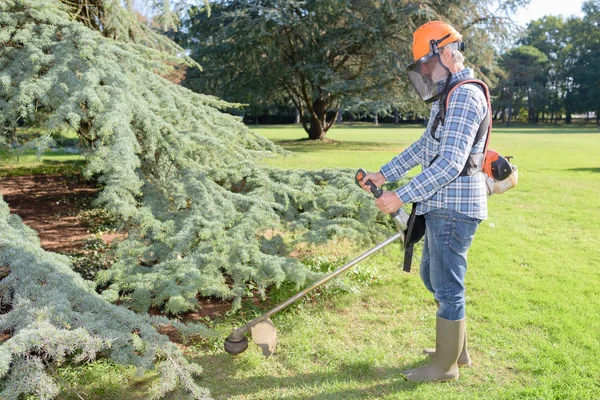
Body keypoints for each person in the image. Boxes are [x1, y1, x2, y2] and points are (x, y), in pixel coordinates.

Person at [359, 21, 489, 382]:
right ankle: (456, 349)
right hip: (439, 204)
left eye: (427, 65)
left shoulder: (464, 95)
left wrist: (399, 195)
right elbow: (425, 147)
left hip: (455, 207)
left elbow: (449, 162)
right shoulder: (447, 95)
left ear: (446, 53)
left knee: (447, 285)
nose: (426, 73)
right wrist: (383, 175)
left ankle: (445, 367)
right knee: (434, 278)